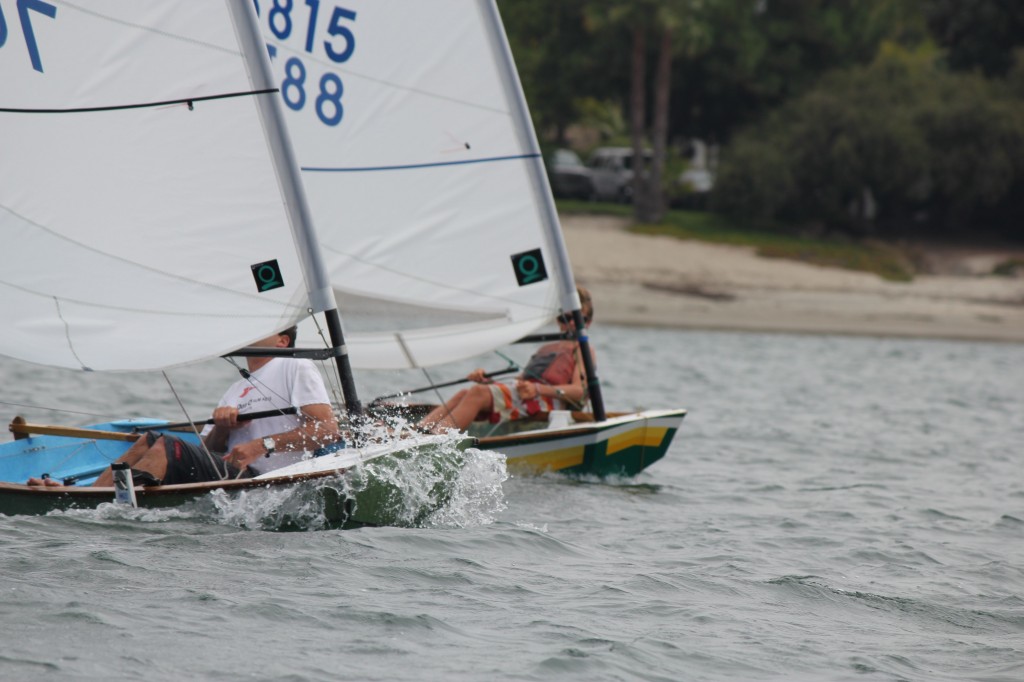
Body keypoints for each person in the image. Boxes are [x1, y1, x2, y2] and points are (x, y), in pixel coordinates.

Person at [28, 327, 340, 487]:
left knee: (167, 446)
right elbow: (209, 450)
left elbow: (327, 430)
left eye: (265, 328)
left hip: (265, 478)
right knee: (150, 439)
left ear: (283, 341)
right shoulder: (234, 389)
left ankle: (106, 501)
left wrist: (261, 445)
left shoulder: (294, 366)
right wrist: (223, 428)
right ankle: (90, 496)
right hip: (231, 472)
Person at [419, 286, 596, 433]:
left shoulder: (583, 350)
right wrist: (487, 381)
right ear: (558, 320)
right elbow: (520, 383)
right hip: (524, 398)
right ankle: (418, 432)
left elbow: (579, 391)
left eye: (579, 319)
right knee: (465, 393)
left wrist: (536, 389)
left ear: (588, 322)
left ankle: (437, 438)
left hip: (549, 404)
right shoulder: (546, 349)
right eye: (565, 318)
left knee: (477, 393)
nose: (571, 323)